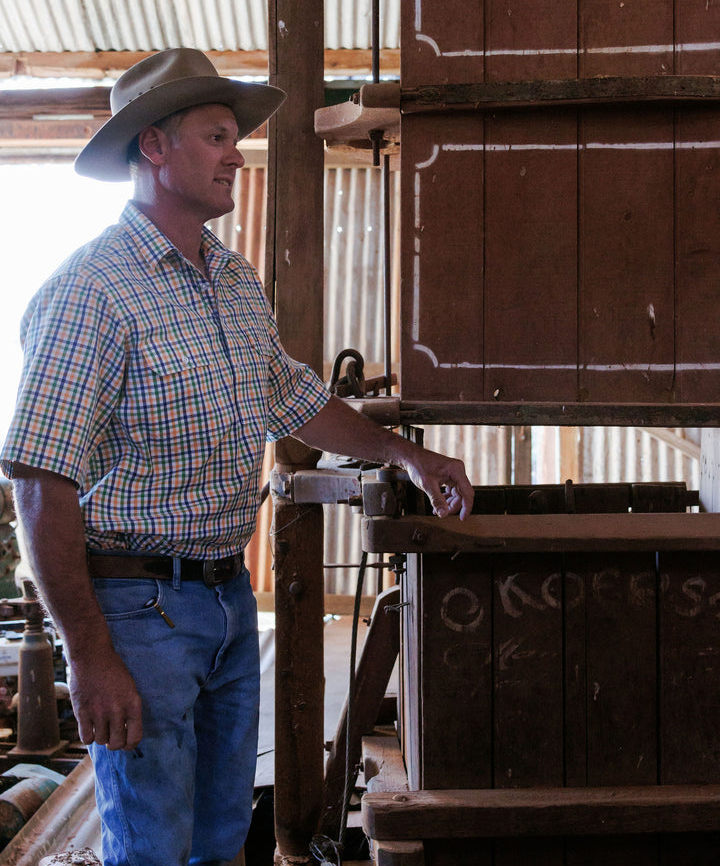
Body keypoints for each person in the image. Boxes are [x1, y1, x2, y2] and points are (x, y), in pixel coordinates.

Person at [0, 48, 474, 866]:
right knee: (153, 846)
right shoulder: (91, 291)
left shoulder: (230, 280)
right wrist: (89, 654)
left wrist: (405, 455)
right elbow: (41, 481)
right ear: (154, 147)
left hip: (224, 598)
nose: (236, 156)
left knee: (220, 838)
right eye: (216, 137)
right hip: (136, 611)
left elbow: (294, 398)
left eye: (235, 139)